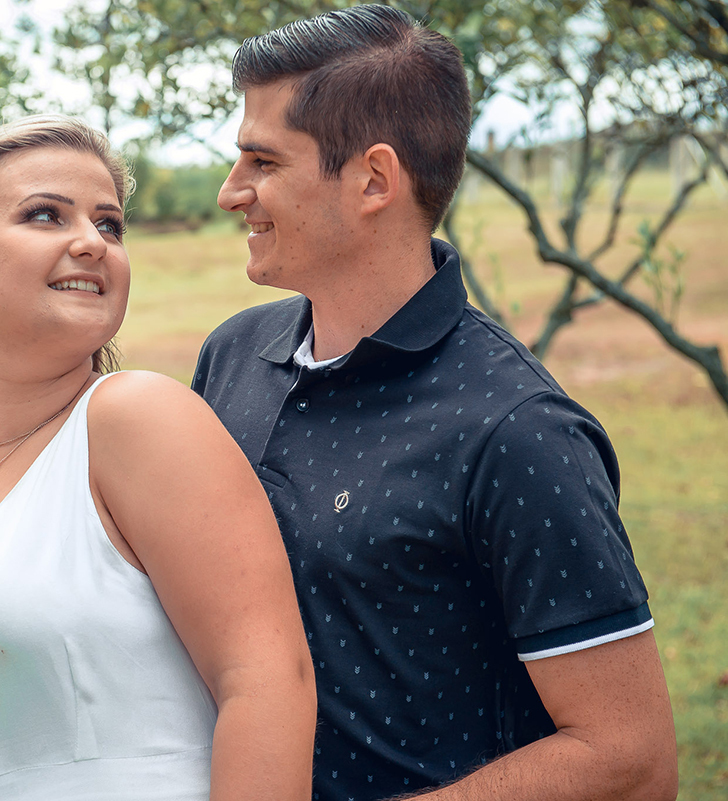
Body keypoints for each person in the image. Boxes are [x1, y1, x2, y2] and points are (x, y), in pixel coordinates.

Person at [192, 6, 678, 801]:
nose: (230, 192)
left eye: (262, 161)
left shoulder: (515, 430)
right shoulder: (232, 356)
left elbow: (631, 759)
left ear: (374, 180)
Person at [0, 116, 316, 801]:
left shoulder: (136, 420)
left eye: (110, 224)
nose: (91, 243)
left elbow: (269, 680)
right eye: (45, 214)